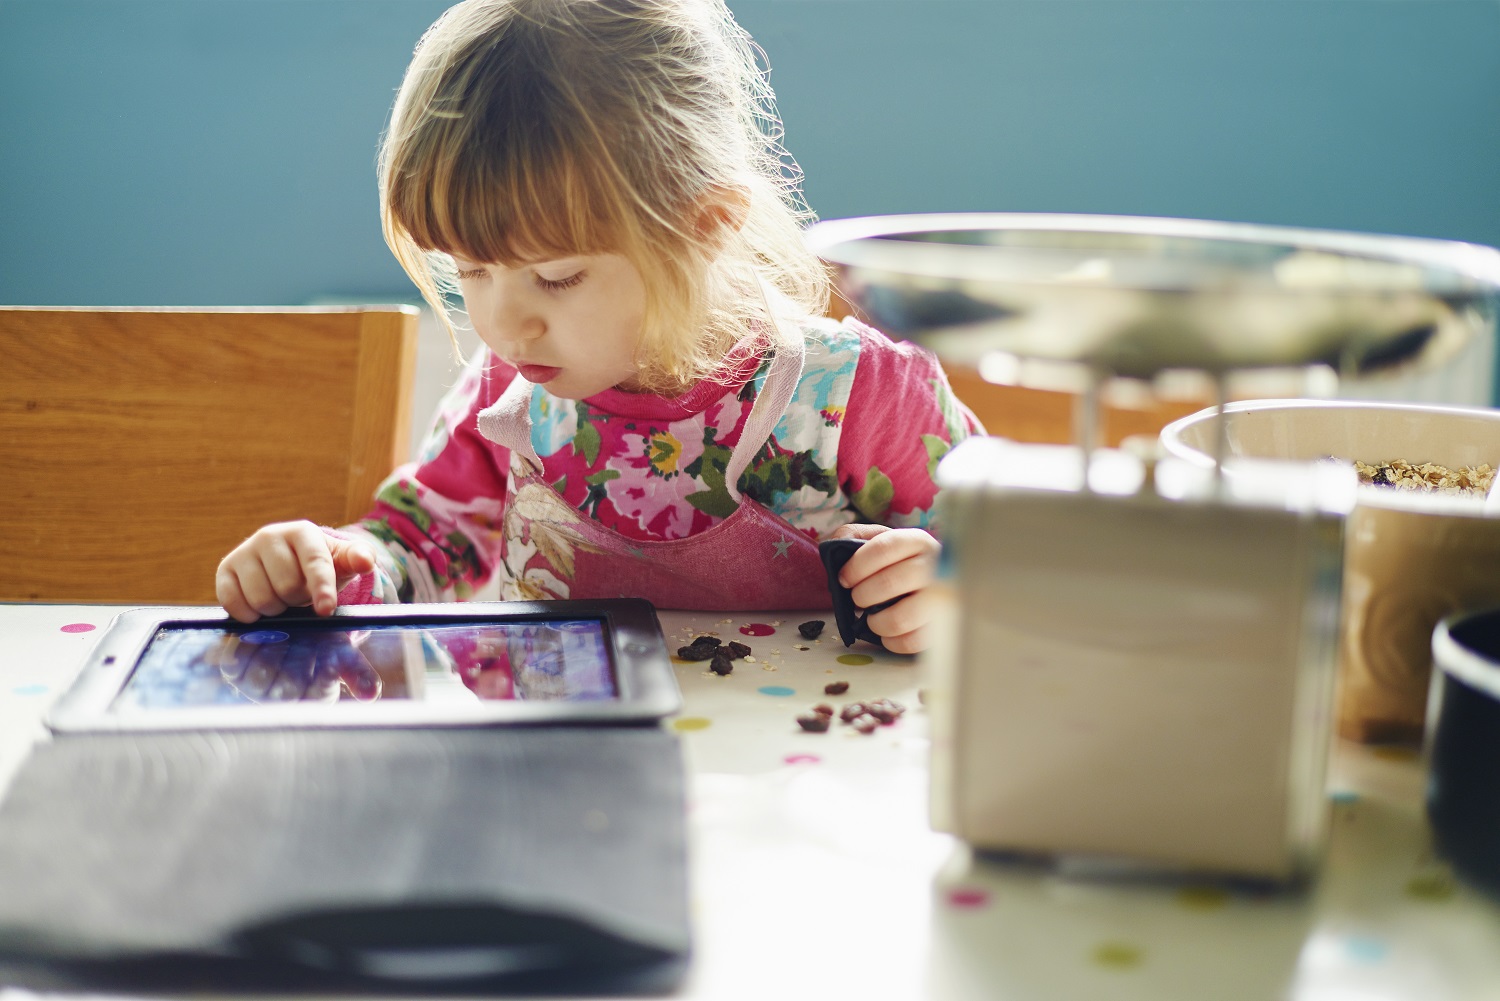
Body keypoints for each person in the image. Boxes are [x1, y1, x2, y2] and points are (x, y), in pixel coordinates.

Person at [216, 0, 981, 654]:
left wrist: (944, 586)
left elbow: (1025, 562)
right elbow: (420, 546)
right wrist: (332, 567)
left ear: (702, 227)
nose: (506, 325)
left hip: (792, 798)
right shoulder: (509, 393)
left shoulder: (858, 394)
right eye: (471, 271)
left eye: (556, 277)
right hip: (563, 783)